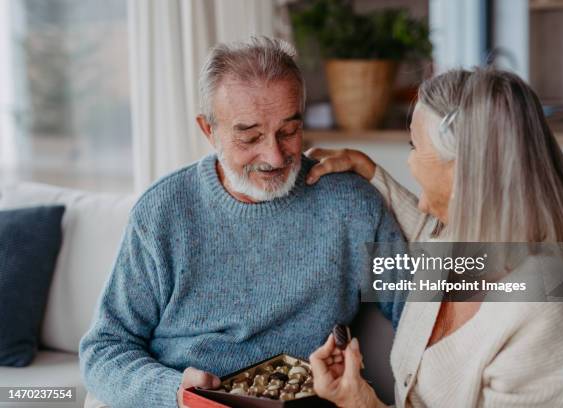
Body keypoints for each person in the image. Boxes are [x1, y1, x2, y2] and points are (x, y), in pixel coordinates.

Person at [79, 37, 405, 408]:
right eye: (249, 136)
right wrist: (175, 394)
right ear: (209, 130)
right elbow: (103, 349)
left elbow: (438, 297)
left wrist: (383, 180)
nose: (274, 155)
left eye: (288, 131)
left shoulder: (349, 203)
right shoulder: (163, 212)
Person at [307, 68, 563, 407]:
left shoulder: (550, 313)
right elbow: (424, 228)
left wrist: (362, 404)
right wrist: (369, 172)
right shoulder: (462, 242)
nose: (422, 203)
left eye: (414, 144)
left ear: (465, 174)